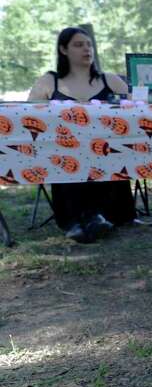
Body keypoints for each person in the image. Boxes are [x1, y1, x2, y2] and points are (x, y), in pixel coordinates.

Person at [27, 27, 136, 243]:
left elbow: (136, 111)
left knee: (102, 152)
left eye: (88, 44)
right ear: (63, 50)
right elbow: (29, 117)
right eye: (78, 45)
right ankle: (84, 220)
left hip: (107, 151)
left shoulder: (110, 80)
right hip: (62, 151)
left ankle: (92, 219)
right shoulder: (50, 81)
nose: (87, 49)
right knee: (68, 157)